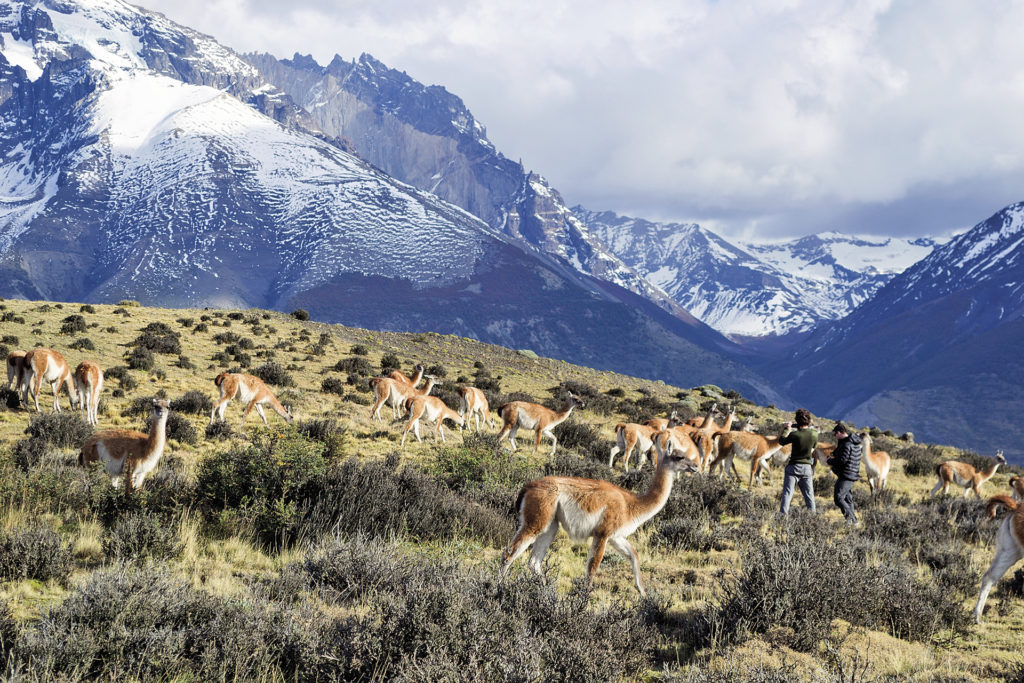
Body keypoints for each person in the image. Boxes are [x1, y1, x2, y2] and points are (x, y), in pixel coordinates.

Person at [777, 408, 819, 515]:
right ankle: (813, 518)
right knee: (809, 495)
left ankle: (783, 517)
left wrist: (787, 428)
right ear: (808, 421)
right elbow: (813, 447)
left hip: (793, 467)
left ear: (797, 421)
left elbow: (781, 441)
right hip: (807, 468)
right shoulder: (814, 434)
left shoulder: (794, 435)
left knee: (787, 494)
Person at [827, 422, 862, 525]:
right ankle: (850, 522)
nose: (835, 437)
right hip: (851, 474)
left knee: (838, 498)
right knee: (848, 498)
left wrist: (830, 461)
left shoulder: (846, 444)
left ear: (839, 432)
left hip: (846, 475)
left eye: (835, 434)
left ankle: (853, 520)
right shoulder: (853, 443)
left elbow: (842, 460)